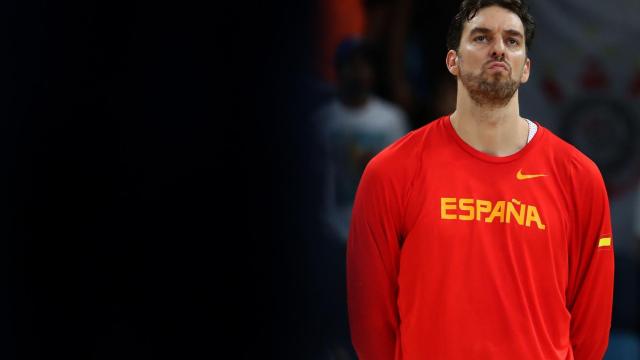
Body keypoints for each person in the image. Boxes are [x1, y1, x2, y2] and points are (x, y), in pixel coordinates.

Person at [346, 1, 615, 359]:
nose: (499, 48)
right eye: (482, 37)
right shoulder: (391, 172)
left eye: (512, 40)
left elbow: (591, 330)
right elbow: (370, 327)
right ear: (452, 61)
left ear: (526, 69)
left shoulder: (579, 177)